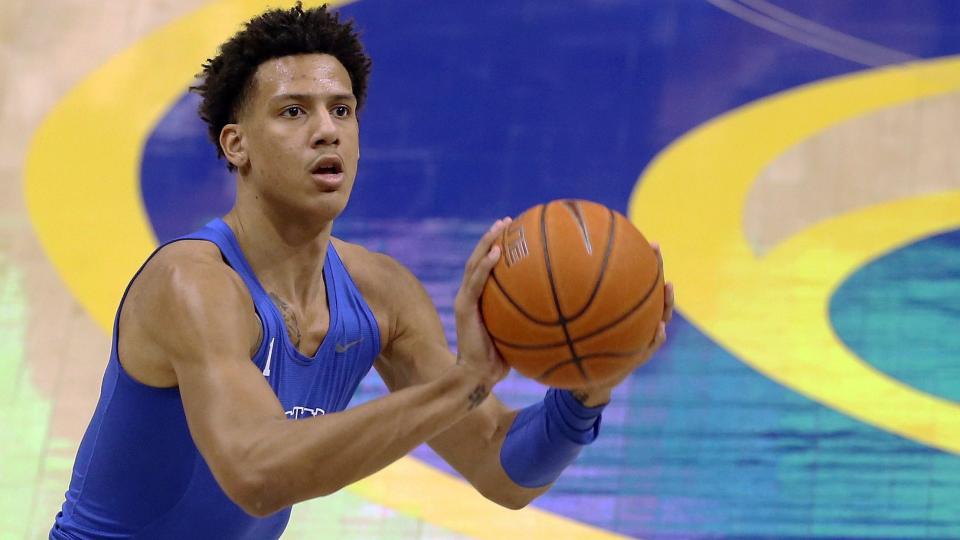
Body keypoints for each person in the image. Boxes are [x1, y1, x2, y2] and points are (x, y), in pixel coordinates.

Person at [50, 3, 674, 538]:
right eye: (294, 112)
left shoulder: (381, 293)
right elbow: (256, 474)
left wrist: (589, 389)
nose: (327, 131)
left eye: (341, 111)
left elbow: (499, 468)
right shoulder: (192, 283)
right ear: (235, 144)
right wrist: (464, 382)